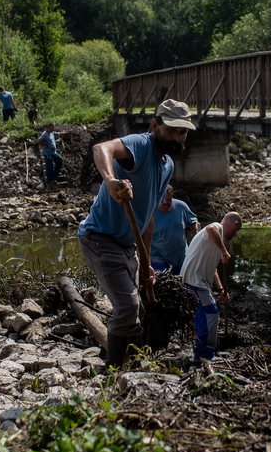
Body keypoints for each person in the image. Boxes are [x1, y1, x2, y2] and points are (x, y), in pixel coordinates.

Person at [78, 99, 196, 367]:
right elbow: (101, 148)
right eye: (172, 130)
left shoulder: (167, 166)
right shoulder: (141, 145)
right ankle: (114, 374)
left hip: (127, 244)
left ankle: (131, 366)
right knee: (128, 307)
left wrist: (145, 262)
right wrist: (110, 181)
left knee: (138, 308)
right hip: (100, 238)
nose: (177, 138)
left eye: (183, 132)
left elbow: (149, 217)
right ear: (155, 125)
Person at [180, 212, 243, 360]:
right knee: (210, 313)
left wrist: (221, 289)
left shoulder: (214, 240)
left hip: (197, 281)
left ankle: (210, 350)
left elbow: (212, 269)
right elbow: (210, 228)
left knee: (206, 314)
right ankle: (204, 355)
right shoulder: (217, 228)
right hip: (194, 280)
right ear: (235, 225)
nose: (234, 235)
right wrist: (224, 251)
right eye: (236, 231)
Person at [150, 185, 199, 273]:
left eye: (169, 199)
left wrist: (197, 232)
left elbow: (193, 220)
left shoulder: (181, 206)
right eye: (163, 199)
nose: (165, 202)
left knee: (181, 284)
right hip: (158, 257)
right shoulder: (150, 212)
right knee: (162, 284)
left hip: (181, 257)